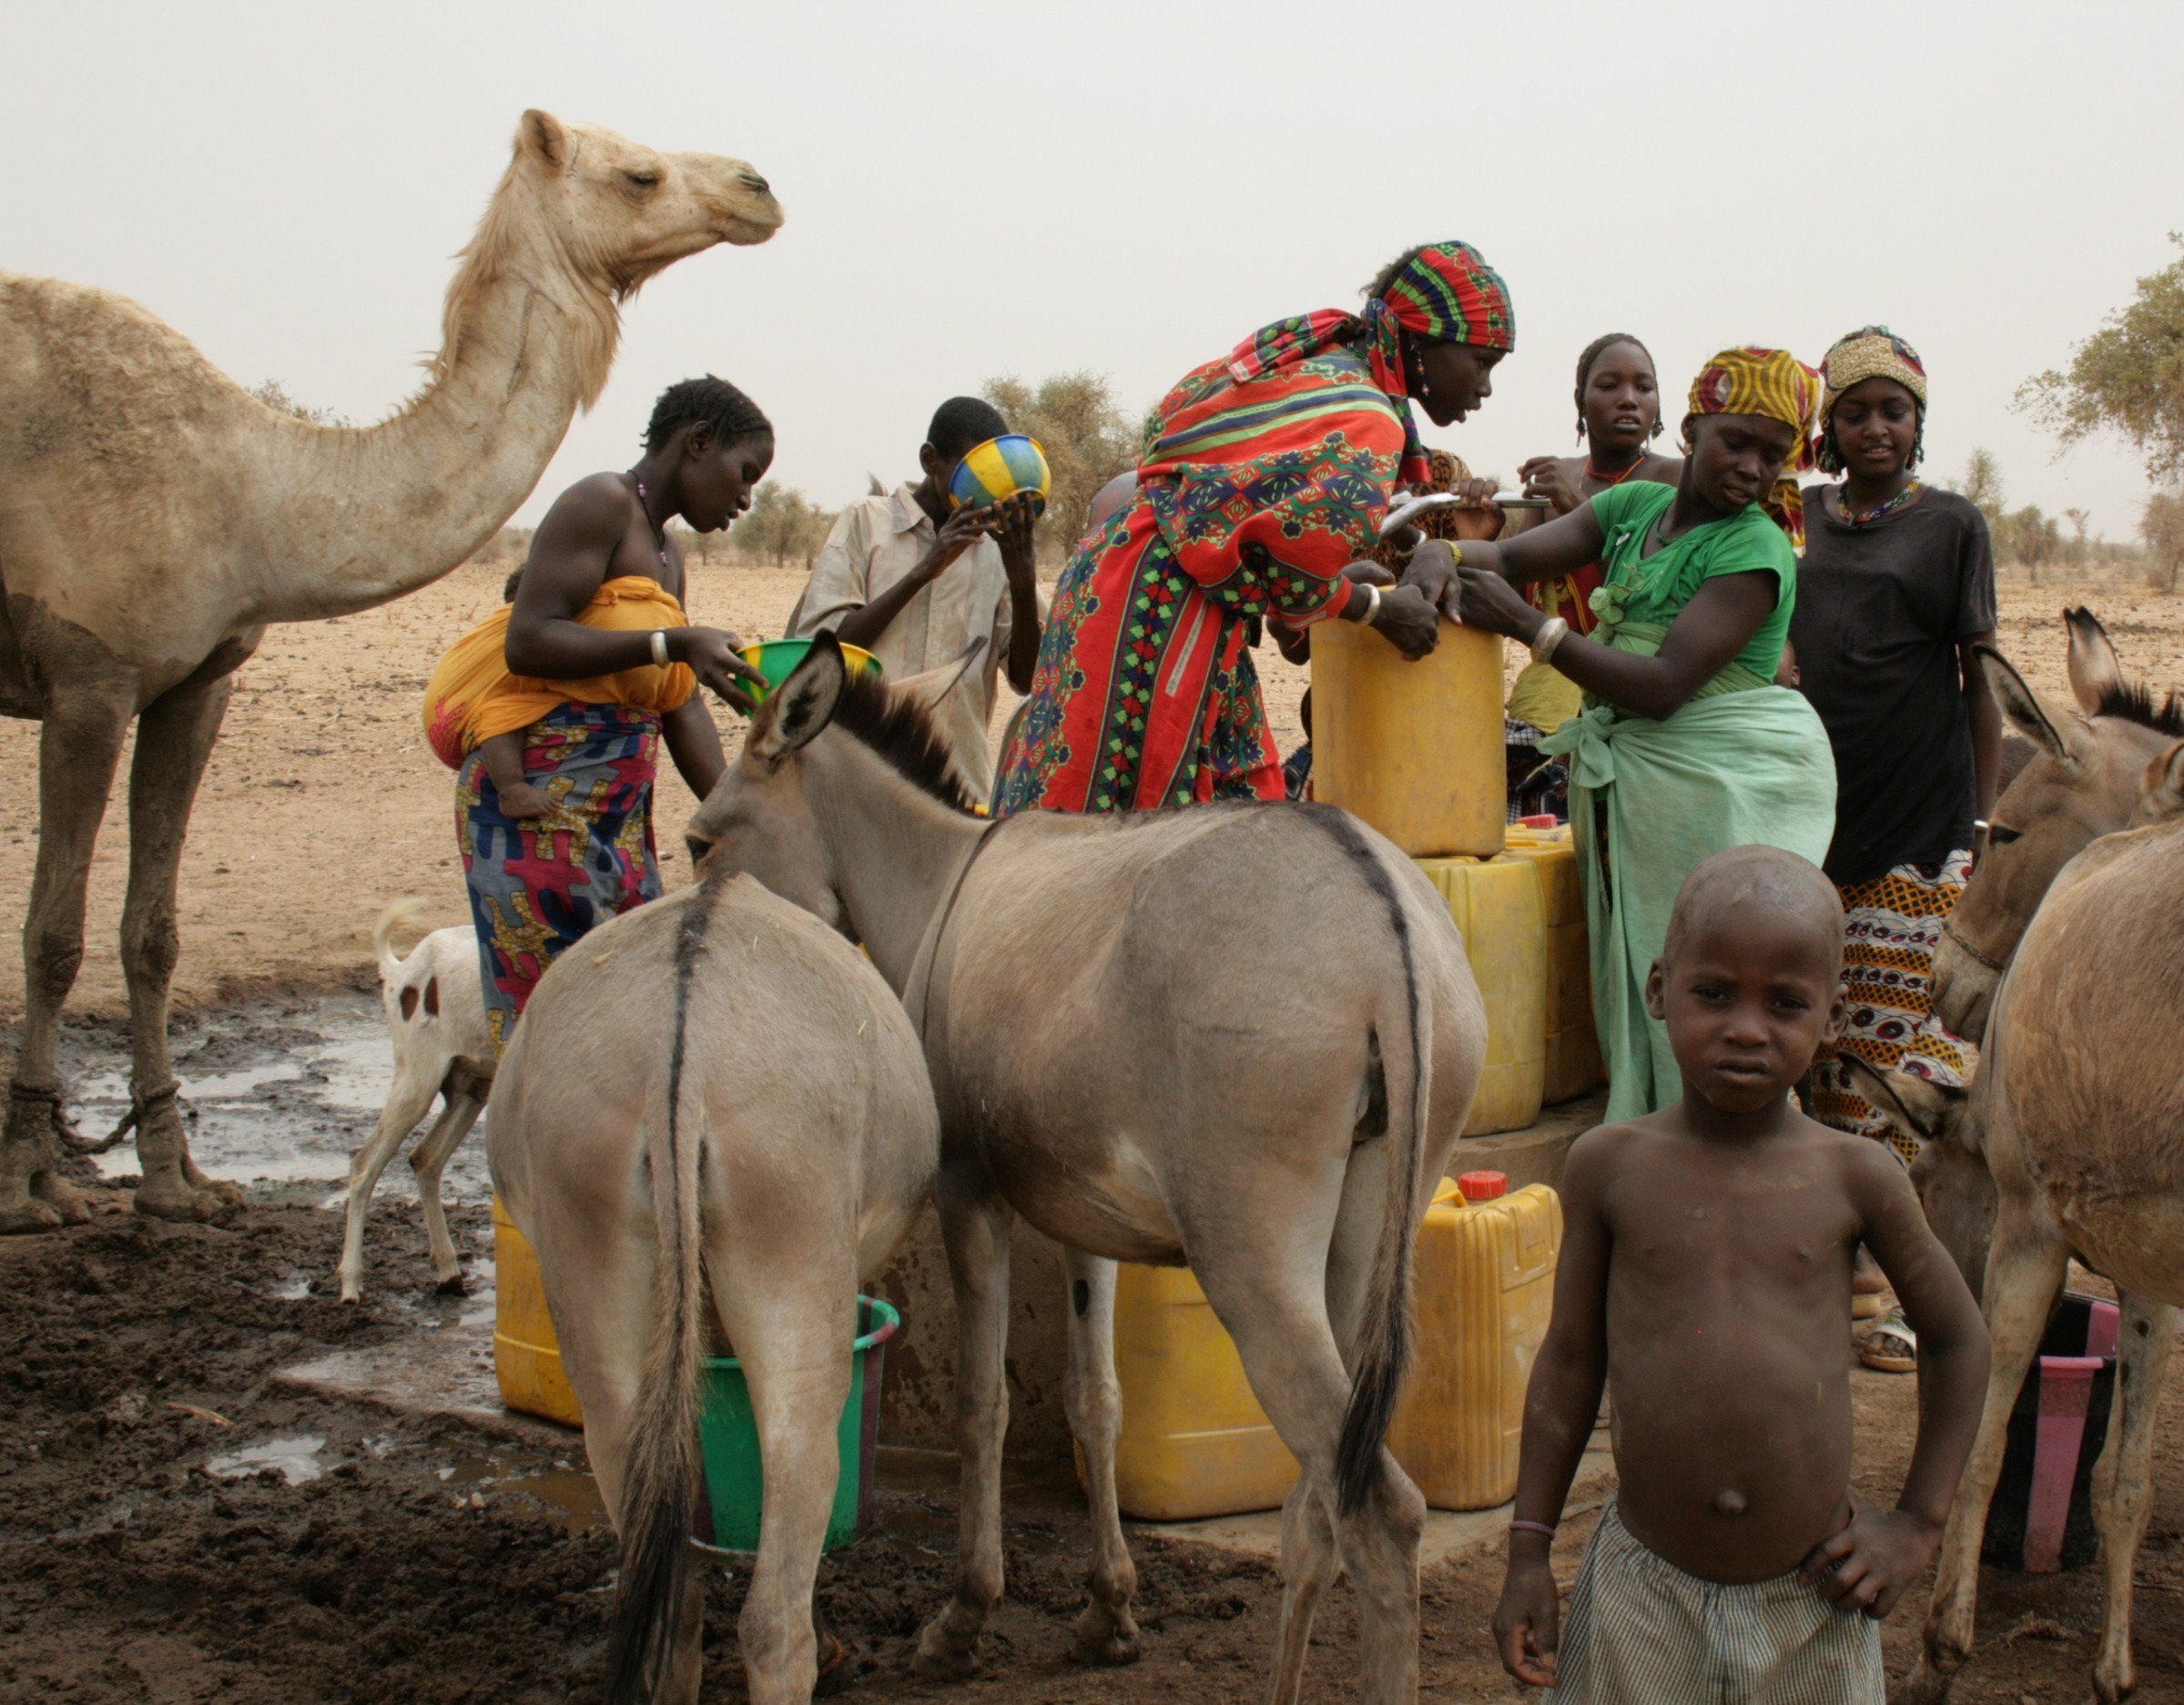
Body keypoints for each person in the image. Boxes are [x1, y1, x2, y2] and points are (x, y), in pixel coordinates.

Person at [1491, 847, 1990, 1703]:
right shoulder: (1608, 1165)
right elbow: (1569, 1363)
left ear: (1831, 1015)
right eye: (1713, 993)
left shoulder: (1856, 1175)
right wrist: (1529, 1549)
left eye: (1786, 1003)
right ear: (1658, 991)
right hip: (1641, 1591)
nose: (1747, 1028)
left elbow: (1956, 1340)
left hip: (1815, 1596)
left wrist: (1917, 1521)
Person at [1403, 348, 1836, 1120]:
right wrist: (1440, 550)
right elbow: (1504, 553)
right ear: (1694, 428)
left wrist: (1529, 628)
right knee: (1647, 970)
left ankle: (1730, 1173)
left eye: (1771, 456)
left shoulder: (1754, 547)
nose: (1749, 468)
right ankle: (1651, 1145)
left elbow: (1666, 686)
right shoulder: (1632, 508)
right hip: (1637, 779)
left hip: (1716, 783)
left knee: (1712, 974)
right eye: (1734, 441)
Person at [992, 240, 1509, 816]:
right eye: (1482, 362)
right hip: (1159, 607)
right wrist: (1379, 609)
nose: (1485, 387)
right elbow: (1296, 583)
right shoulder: (1366, 419)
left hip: (1123, 575)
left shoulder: (1317, 368)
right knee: (1124, 822)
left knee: (1215, 802)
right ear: (1420, 340)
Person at [423, 374, 771, 1049]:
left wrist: (736, 808)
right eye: (744, 473)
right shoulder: (601, 502)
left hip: (617, 811)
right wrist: (672, 641)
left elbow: (679, 705)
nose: (746, 498)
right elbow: (530, 639)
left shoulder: (668, 556)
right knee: (558, 1023)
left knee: (625, 1006)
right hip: (536, 799)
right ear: (698, 443)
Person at [1792, 328, 1999, 1152]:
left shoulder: (1952, 524)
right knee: (1816, 1017)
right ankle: (1829, 1209)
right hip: (1811, 801)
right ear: (1829, 430)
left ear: (1919, 422)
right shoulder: (1796, 515)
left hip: (1920, 810)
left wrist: (1982, 825)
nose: (1875, 428)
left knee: (1904, 1020)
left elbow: (1978, 675)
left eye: (1894, 411)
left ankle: (1901, 1219)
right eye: (1854, 414)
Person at [787, 397, 1041, 800]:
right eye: (971, 472)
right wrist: (926, 569)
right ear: (930, 460)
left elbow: (1026, 679)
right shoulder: (866, 522)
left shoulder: (994, 548)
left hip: (954, 786)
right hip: (857, 778)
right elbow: (823, 652)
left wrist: (1023, 580)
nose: (986, 487)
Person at [1505, 334, 1685, 749]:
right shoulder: (1553, 480)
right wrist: (1475, 534)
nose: (1628, 399)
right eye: (1609, 386)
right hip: (1547, 706)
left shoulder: (1675, 479)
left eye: (1644, 387)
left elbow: (1656, 602)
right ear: (1580, 400)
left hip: (1637, 707)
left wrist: (1577, 509)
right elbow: (1512, 605)